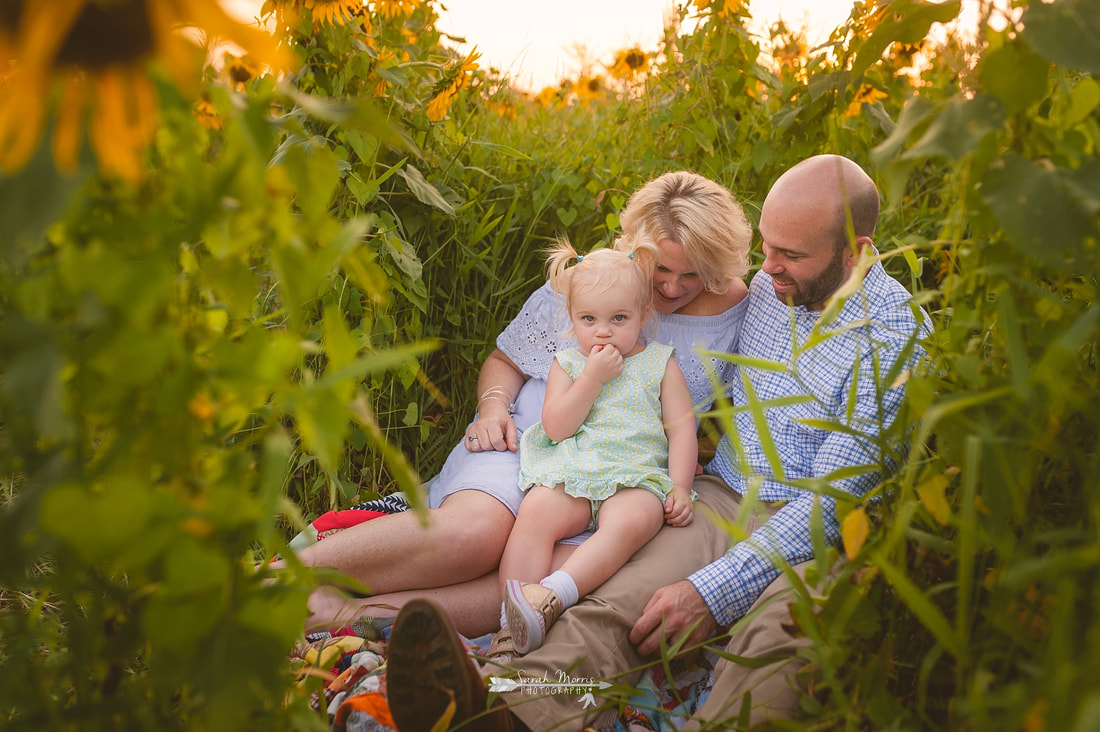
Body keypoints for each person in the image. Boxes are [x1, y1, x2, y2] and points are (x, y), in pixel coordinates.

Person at [384, 154, 932, 731]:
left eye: (790, 255)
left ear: (858, 252)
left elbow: (829, 508)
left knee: (781, 646)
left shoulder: (894, 345)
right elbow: (636, 293)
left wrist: (712, 592)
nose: (766, 270)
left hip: (825, 535)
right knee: (615, 606)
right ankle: (506, 707)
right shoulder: (772, 288)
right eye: (766, 247)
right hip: (725, 497)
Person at [277, 171, 754, 639]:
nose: (671, 288)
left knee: (534, 581)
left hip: (618, 471)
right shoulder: (593, 281)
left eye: (692, 274)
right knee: (477, 534)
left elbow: (715, 415)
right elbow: (507, 359)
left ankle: (348, 613)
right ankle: (282, 575)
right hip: (531, 434)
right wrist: (492, 409)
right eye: (661, 271)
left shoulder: (736, 309)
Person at [495, 239, 697, 658]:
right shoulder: (568, 363)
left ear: (643, 315)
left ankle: (551, 595)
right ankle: (508, 618)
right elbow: (556, 425)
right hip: (575, 469)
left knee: (633, 521)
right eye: (589, 319)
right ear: (571, 317)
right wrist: (592, 378)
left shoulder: (659, 362)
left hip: (635, 475)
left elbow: (681, 430)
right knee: (535, 513)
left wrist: (678, 486)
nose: (603, 331)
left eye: (618, 318)